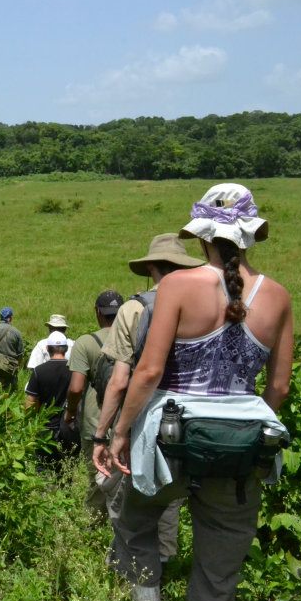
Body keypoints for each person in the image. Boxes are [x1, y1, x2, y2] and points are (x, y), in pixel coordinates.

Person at [96, 184, 294, 601]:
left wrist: (120, 433)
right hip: (240, 447)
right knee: (223, 549)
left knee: (137, 527)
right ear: (248, 234)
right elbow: (279, 386)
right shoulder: (278, 296)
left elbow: (148, 373)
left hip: (169, 438)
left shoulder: (179, 286)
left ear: (202, 235)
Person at [92, 234, 204, 569]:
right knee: (169, 495)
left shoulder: (133, 309)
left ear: (151, 268)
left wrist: (106, 434)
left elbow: (119, 380)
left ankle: (131, 570)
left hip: (140, 419)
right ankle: (166, 560)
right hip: (188, 420)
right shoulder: (204, 305)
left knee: (126, 497)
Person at [63, 289, 123, 513]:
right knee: (124, 481)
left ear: (98, 312)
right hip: (125, 422)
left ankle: (95, 530)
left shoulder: (86, 342)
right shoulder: (134, 338)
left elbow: (76, 387)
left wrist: (69, 414)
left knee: (97, 481)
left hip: (94, 422)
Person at [25, 331, 76, 468]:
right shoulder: (74, 371)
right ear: (66, 349)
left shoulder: (39, 371)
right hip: (69, 425)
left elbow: (30, 402)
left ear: (48, 349)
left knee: (43, 465)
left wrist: (32, 420)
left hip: (45, 426)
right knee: (67, 465)